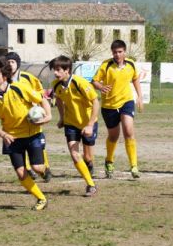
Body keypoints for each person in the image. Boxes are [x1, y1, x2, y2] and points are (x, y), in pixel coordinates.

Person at [0, 59, 51, 211]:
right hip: (12, 137)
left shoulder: (19, 88)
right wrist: (3, 134)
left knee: (37, 167)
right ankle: (41, 198)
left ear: (5, 75)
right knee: (21, 173)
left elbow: (42, 100)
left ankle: (45, 171)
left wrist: (47, 116)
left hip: (32, 134)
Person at [92, 39, 144, 179]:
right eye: (115, 52)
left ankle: (134, 165)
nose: (117, 54)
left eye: (120, 52)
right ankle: (109, 161)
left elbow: (135, 79)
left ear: (124, 52)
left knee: (128, 130)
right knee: (114, 136)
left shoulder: (131, 64)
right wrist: (101, 87)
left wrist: (139, 96)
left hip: (126, 101)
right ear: (112, 53)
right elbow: (94, 81)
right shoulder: (106, 65)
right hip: (109, 105)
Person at [50, 55, 99, 196]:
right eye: (55, 70)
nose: (55, 73)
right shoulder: (56, 85)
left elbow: (96, 102)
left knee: (88, 158)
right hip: (71, 123)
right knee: (74, 154)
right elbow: (59, 99)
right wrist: (62, 117)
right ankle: (91, 185)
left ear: (67, 70)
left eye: (59, 70)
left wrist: (90, 125)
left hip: (88, 122)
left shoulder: (80, 83)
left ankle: (89, 165)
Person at [5, 52, 53, 182]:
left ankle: (45, 168)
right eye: (8, 61)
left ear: (18, 64)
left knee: (36, 144)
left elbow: (41, 93)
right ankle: (28, 169)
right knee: (20, 144)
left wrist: (39, 109)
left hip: (33, 116)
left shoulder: (28, 77)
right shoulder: (3, 80)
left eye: (13, 62)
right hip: (16, 120)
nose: (10, 64)